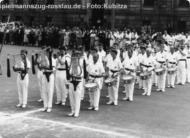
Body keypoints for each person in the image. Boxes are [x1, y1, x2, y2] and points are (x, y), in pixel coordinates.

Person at [67, 50, 84, 118]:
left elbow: (81, 74)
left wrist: (75, 75)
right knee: (71, 97)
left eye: (77, 55)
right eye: (74, 55)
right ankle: (72, 111)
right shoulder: (71, 64)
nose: (75, 56)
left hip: (78, 81)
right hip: (71, 81)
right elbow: (69, 73)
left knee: (77, 97)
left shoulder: (81, 62)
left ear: (79, 56)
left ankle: (76, 112)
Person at [40, 47, 56, 113]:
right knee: (44, 90)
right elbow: (41, 66)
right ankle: (45, 106)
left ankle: (49, 106)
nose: (47, 53)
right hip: (44, 74)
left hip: (50, 75)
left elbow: (53, 69)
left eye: (49, 52)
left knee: (50, 91)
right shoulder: (44, 59)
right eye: (47, 52)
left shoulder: (53, 60)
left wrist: (45, 67)